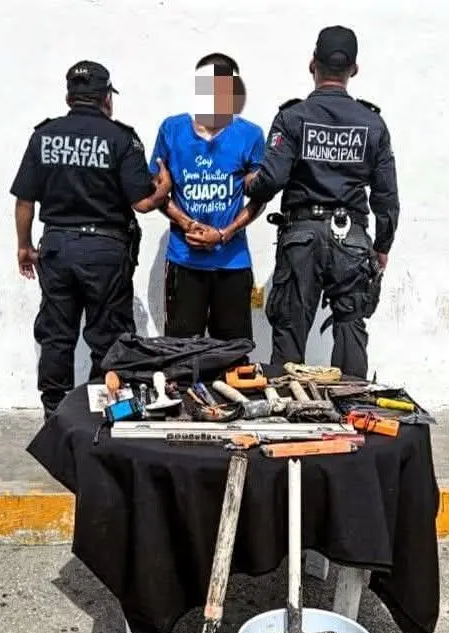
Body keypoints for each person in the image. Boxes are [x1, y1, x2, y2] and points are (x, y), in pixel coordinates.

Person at [10, 60, 171, 419]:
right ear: (106, 98)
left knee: (56, 335)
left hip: (57, 247)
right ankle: (104, 415)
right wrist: (164, 188)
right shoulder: (121, 138)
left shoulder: (44, 136)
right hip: (105, 251)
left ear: (69, 96)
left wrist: (24, 246)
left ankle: (54, 415)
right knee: (109, 337)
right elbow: (142, 203)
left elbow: (24, 201)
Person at [247, 26, 400, 378]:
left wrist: (249, 183)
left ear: (312, 64)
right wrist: (382, 246)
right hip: (352, 240)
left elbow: (270, 180)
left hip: (301, 236)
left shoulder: (292, 117)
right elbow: (386, 196)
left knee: (290, 328)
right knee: (351, 325)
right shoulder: (372, 123)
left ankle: (288, 406)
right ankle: (353, 404)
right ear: (354, 69)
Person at [149, 53, 266, 342]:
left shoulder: (250, 135)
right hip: (184, 260)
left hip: (232, 262)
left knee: (233, 352)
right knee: (181, 352)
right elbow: (156, 187)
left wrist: (224, 234)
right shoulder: (172, 129)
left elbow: (259, 197)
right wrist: (186, 223)